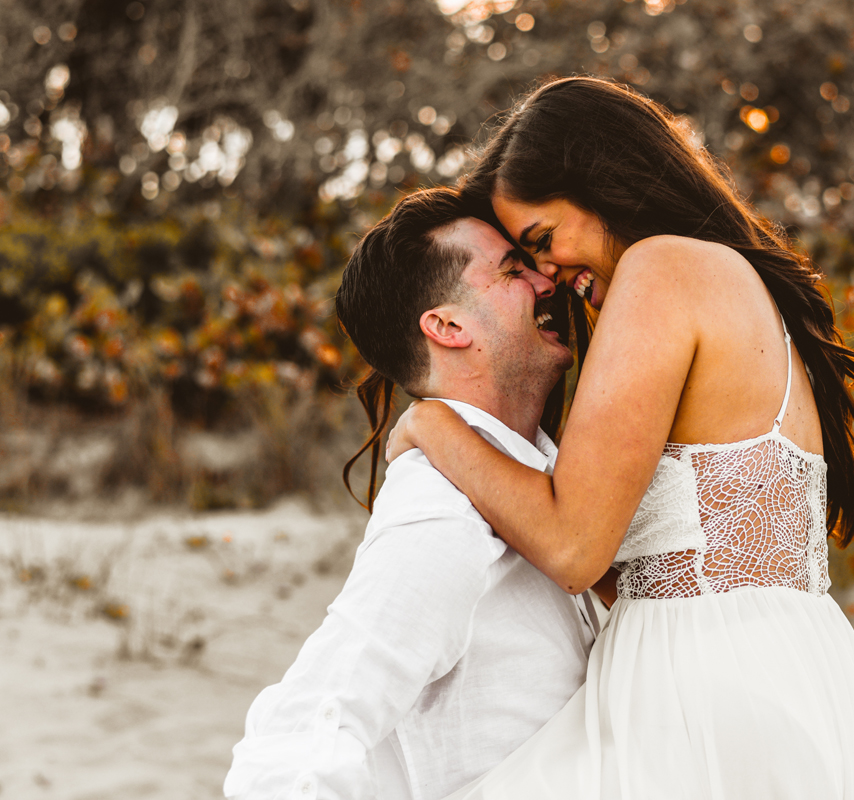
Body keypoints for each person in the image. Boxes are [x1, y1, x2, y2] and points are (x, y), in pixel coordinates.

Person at [385, 77, 854, 798]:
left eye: (542, 241)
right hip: (792, 671)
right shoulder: (730, 280)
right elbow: (631, 562)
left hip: (698, 688)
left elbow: (573, 550)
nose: (547, 274)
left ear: (604, 186)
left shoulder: (663, 269)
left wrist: (431, 425)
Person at [224, 187, 600, 800]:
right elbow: (310, 721)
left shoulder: (549, 478)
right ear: (448, 326)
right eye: (512, 270)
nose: (545, 280)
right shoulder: (441, 505)